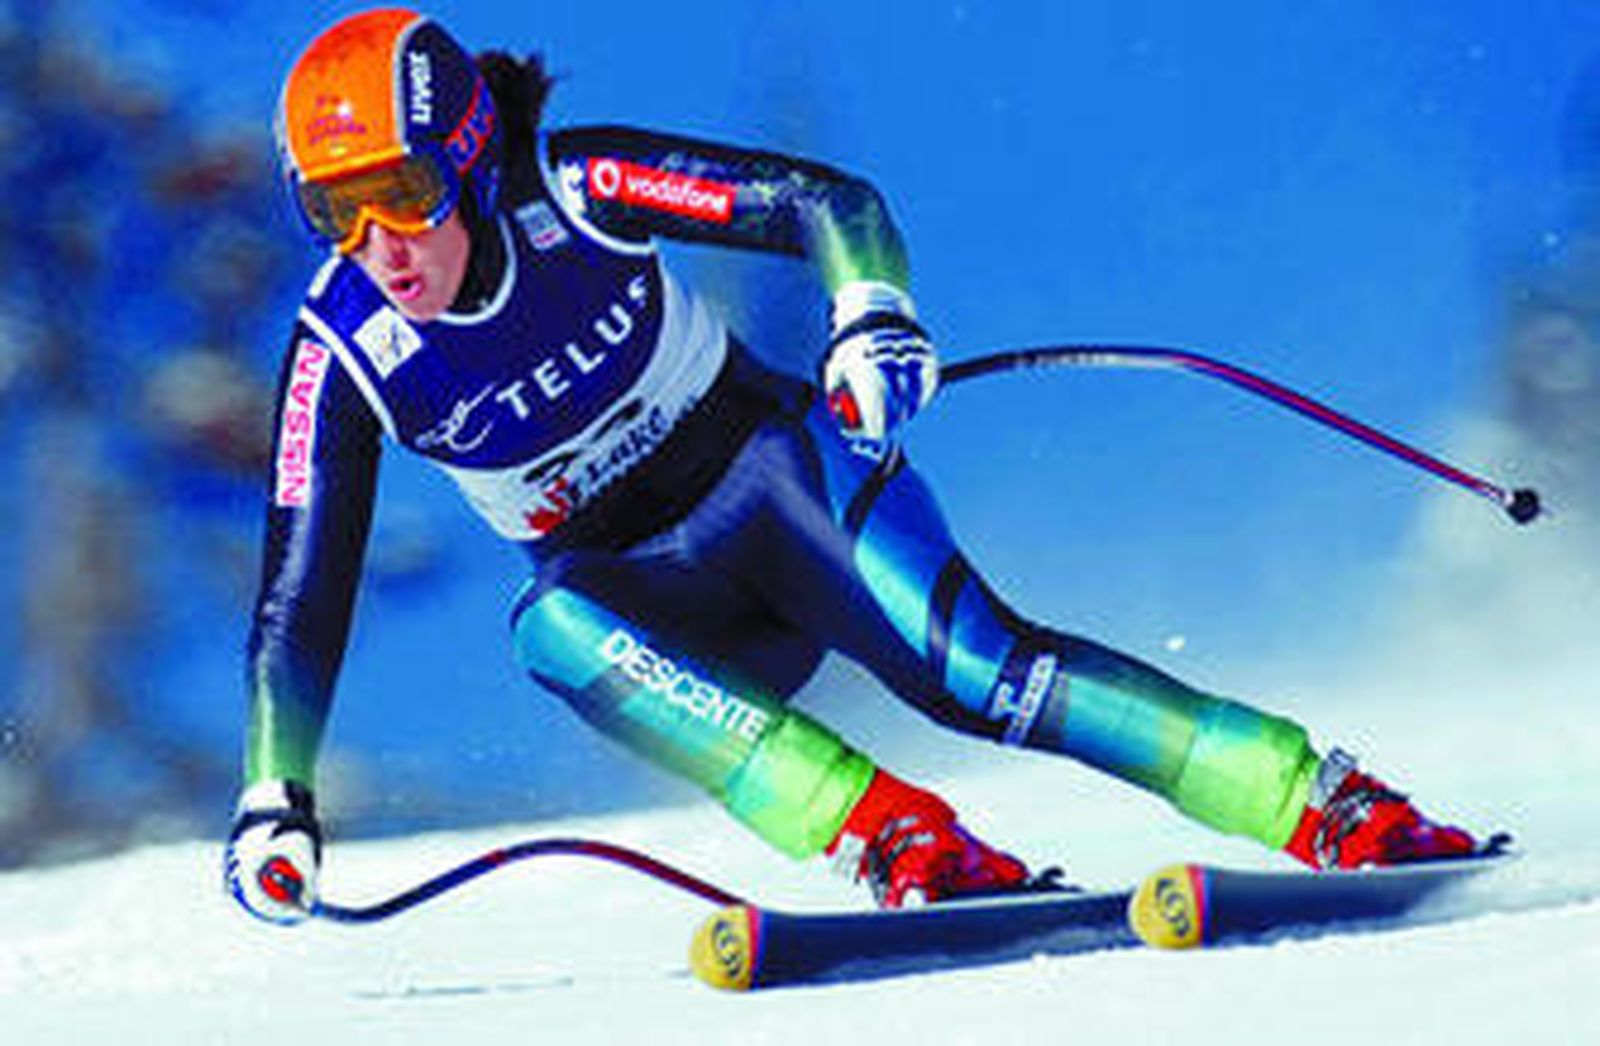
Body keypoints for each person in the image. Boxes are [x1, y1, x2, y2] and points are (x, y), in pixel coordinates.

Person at [225, 7, 1487, 925]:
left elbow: (826, 202)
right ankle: (892, 834)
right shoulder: (344, 352)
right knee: (545, 627)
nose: (377, 243)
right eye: (333, 209)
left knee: (978, 675)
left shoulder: (576, 183)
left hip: (777, 487)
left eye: (398, 191)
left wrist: (868, 313)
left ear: (467, 160)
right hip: (650, 606)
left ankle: (1320, 801)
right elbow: (299, 592)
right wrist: (274, 793)